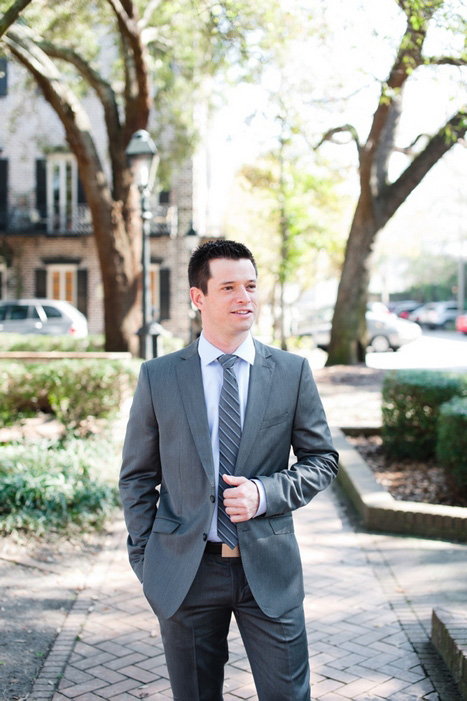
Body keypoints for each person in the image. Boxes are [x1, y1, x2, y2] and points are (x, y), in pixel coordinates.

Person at [119, 240, 339, 700]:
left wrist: (265, 494)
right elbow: (138, 477)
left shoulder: (292, 372)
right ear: (199, 297)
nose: (246, 298)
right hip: (187, 572)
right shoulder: (159, 376)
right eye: (230, 287)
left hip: (269, 572)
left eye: (252, 286)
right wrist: (147, 560)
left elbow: (323, 461)